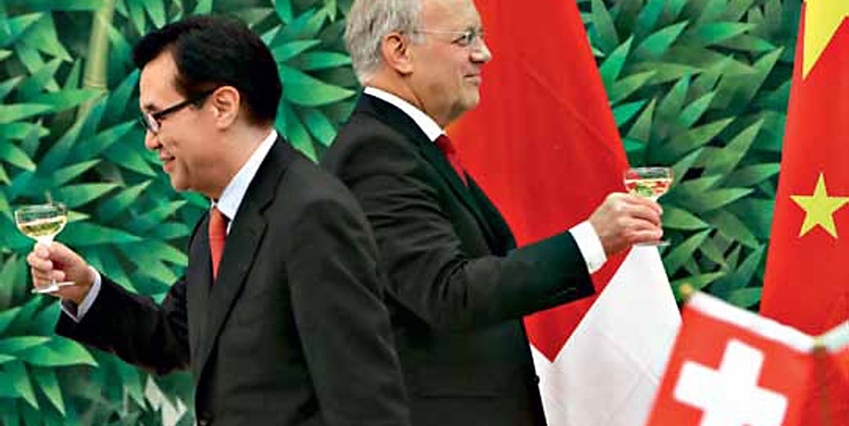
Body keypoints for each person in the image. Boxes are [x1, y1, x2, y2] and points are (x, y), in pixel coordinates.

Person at [26, 15, 410, 426]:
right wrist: (85, 289)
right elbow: (173, 336)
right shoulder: (222, 218)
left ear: (223, 106)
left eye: (158, 118)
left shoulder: (312, 213)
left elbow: (364, 405)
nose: (150, 140)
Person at [320, 0, 665, 425]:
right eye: (465, 38)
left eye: (480, 36)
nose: (484, 54)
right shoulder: (375, 152)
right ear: (399, 51)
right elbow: (449, 294)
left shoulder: (402, 144)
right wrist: (591, 241)